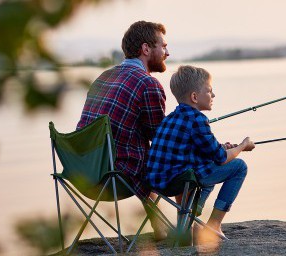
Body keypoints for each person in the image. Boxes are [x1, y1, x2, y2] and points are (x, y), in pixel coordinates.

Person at [76, 21, 170, 239]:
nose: (167, 52)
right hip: (114, 177)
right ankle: (184, 230)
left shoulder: (103, 77)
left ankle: (160, 228)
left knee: (140, 155)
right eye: (163, 46)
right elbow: (159, 139)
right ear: (146, 49)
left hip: (83, 171)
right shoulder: (148, 84)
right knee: (174, 158)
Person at [146, 65, 255, 242]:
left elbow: (196, 147)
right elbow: (220, 158)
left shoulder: (169, 118)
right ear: (195, 97)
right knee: (239, 167)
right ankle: (213, 224)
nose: (213, 96)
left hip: (158, 183)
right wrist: (242, 146)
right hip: (181, 182)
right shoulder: (198, 119)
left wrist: (223, 147)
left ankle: (189, 222)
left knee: (206, 165)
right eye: (210, 91)